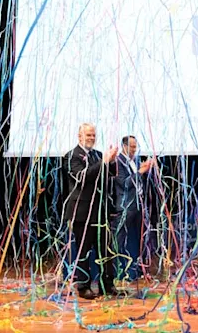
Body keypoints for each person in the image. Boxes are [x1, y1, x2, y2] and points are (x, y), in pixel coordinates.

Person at [63, 123, 118, 299]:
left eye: (93, 135)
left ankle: (107, 285)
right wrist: (103, 162)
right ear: (79, 136)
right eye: (88, 135)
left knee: (106, 251)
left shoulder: (98, 155)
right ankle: (83, 287)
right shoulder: (71, 156)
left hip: (100, 211)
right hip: (82, 212)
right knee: (83, 250)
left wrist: (112, 161)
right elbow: (82, 177)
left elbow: (110, 175)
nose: (92, 138)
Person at [111, 136, 155, 281]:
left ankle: (134, 272)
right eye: (132, 147)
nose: (134, 150)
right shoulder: (118, 162)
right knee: (120, 241)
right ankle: (118, 272)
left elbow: (138, 183)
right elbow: (124, 183)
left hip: (137, 206)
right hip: (125, 207)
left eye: (135, 147)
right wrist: (140, 172)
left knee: (135, 240)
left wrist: (146, 171)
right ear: (124, 146)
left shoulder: (134, 162)